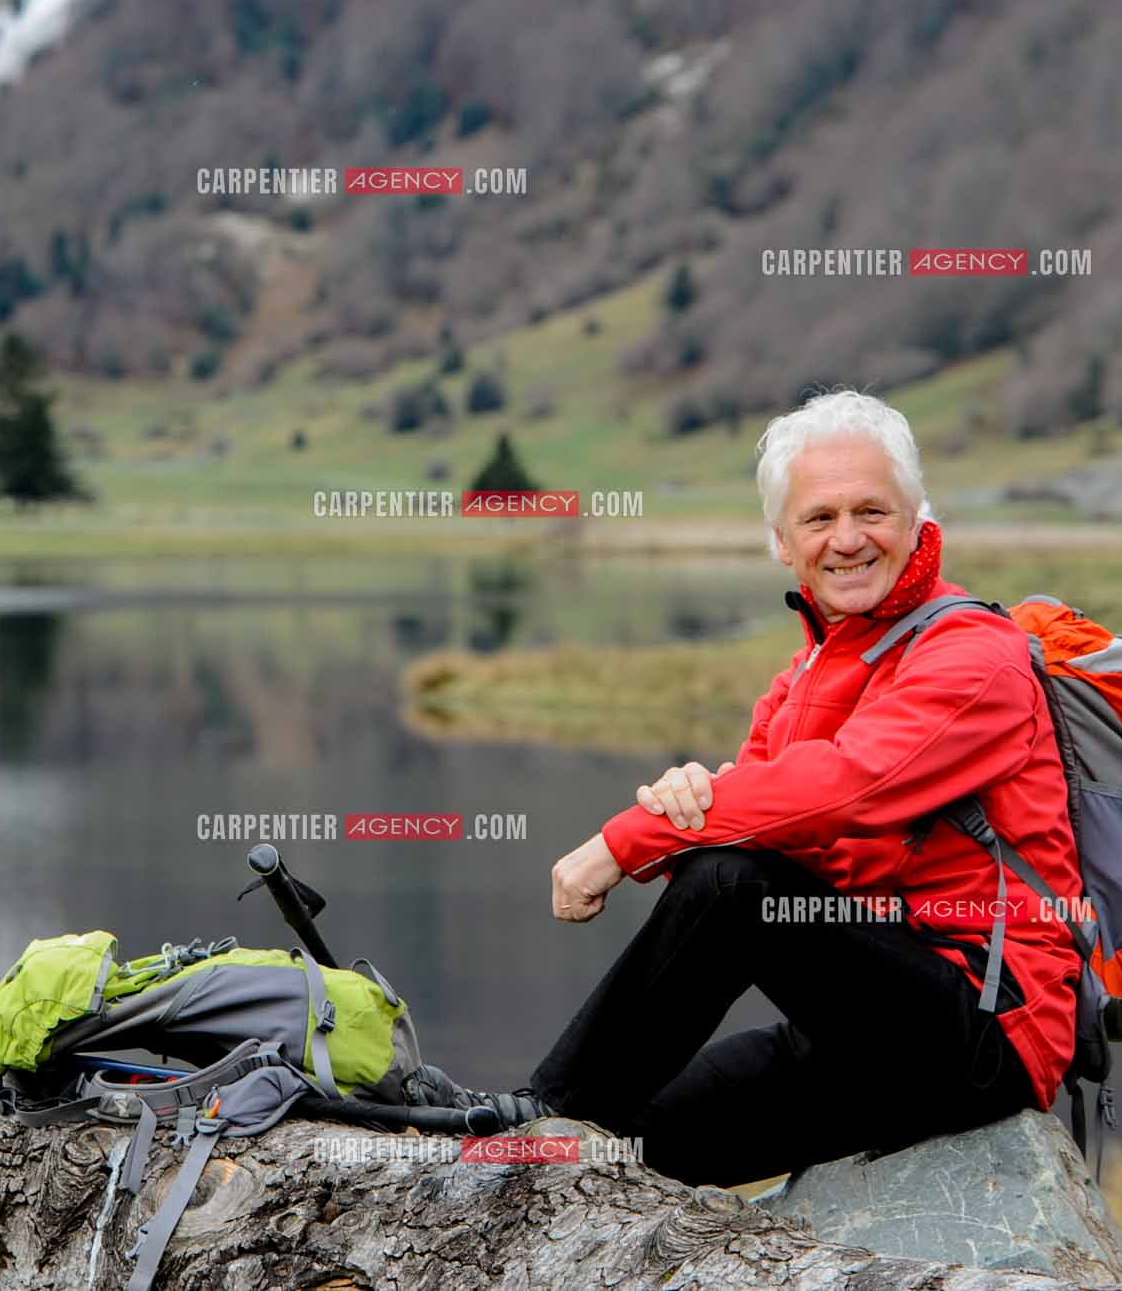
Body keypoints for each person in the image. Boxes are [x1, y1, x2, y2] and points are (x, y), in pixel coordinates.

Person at [410, 390, 1083, 1187]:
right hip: (854, 1039)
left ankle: (546, 1105)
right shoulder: (806, 672)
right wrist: (689, 796)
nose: (848, 538)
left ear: (915, 521)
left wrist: (624, 843)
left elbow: (843, 789)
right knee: (620, 1147)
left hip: (981, 1032)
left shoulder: (974, 655)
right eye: (819, 518)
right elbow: (756, 814)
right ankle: (534, 1140)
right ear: (781, 542)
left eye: (873, 511)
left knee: (732, 889)